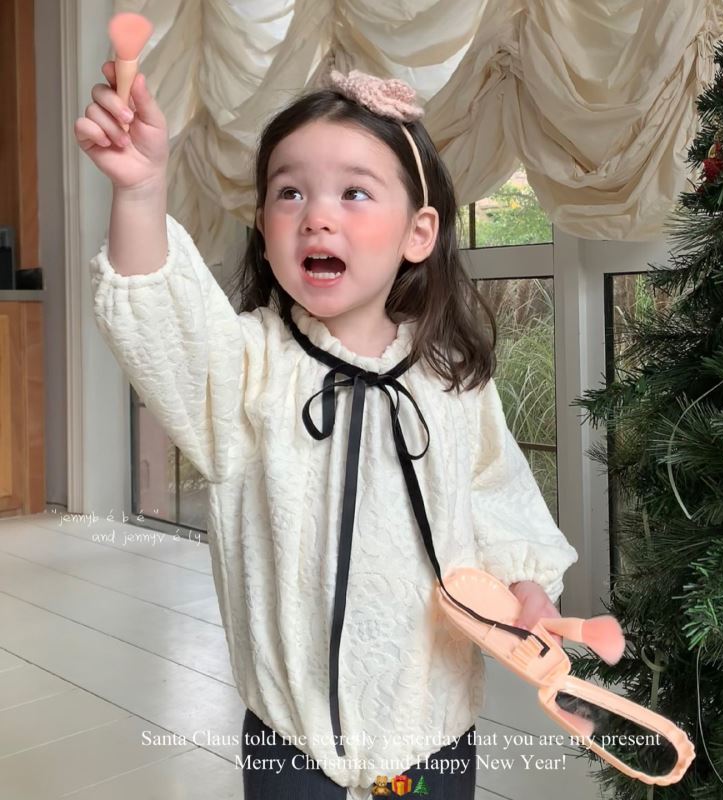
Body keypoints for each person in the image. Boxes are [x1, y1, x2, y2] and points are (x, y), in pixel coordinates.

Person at [74, 61, 579, 800]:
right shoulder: (248, 368)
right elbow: (164, 324)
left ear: (419, 232)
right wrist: (142, 191)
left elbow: (495, 496)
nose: (316, 215)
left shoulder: (451, 379)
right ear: (264, 228)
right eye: (289, 192)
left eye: (354, 192)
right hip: (293, 739)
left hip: (431, 730)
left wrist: (528, 587)